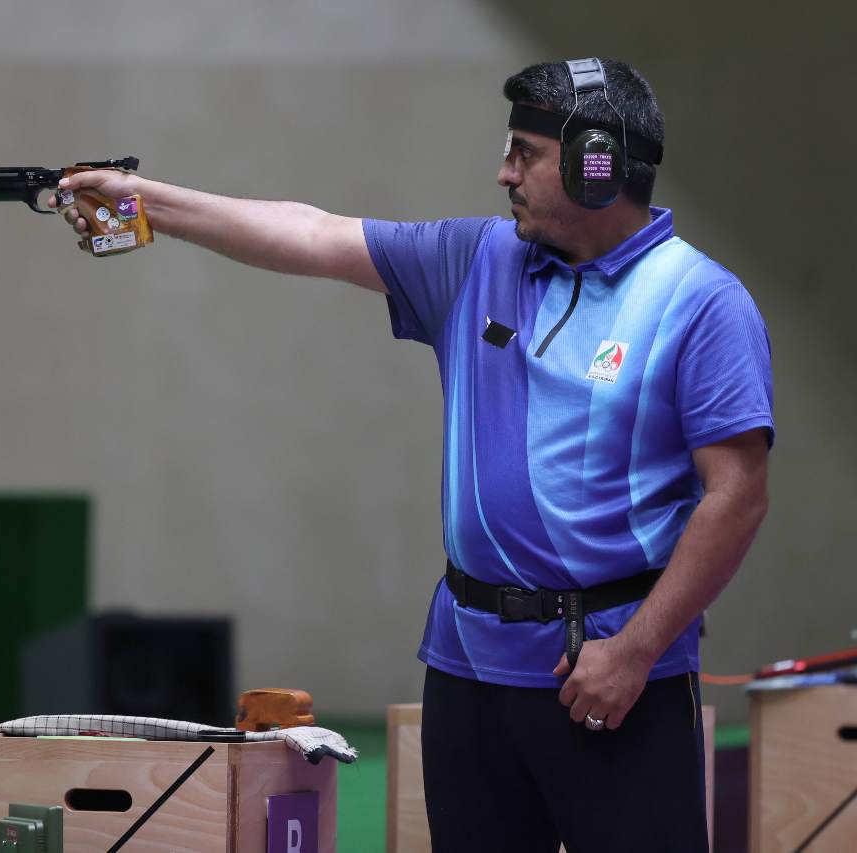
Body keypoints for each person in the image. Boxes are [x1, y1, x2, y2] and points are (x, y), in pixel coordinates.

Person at [53, 58, 771, 852]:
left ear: (594, 164)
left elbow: (736, 494)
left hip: (609, 675)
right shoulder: (476, 259)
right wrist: (145, 201)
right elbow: (311, 233)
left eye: (526, 153)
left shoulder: (702, 301)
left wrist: (636, 651)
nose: (504, 172)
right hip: (468, 670)